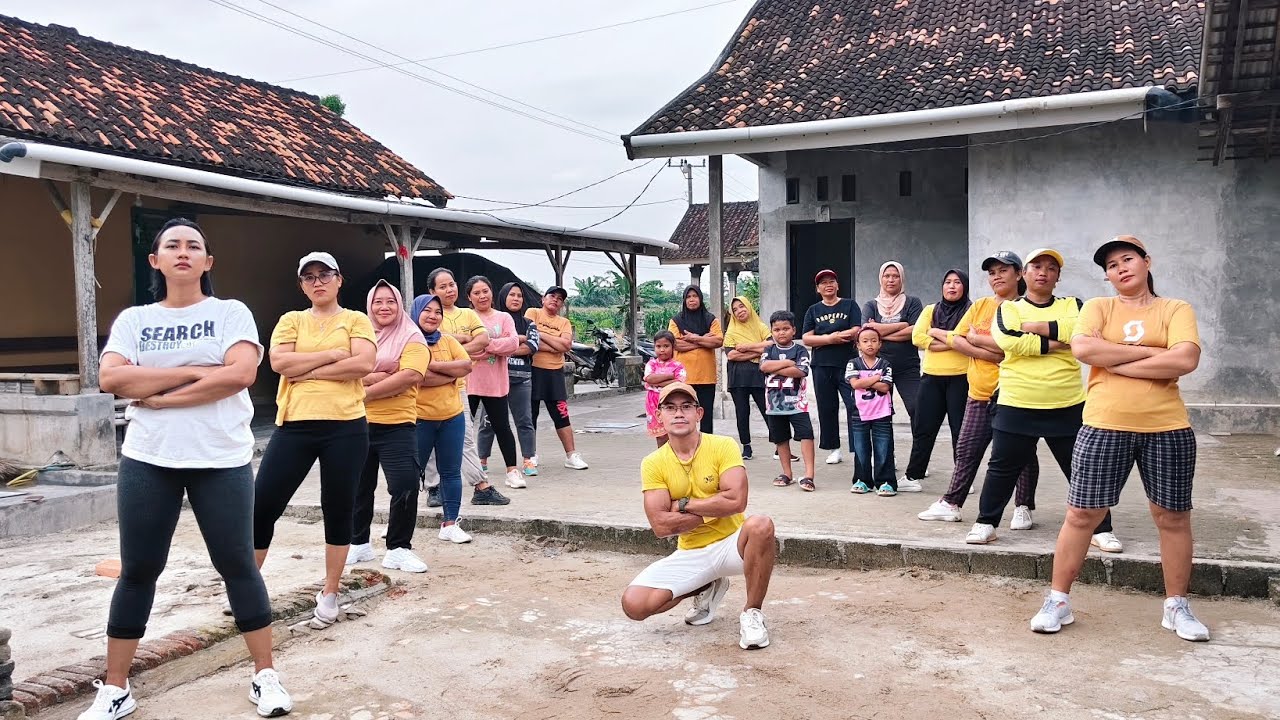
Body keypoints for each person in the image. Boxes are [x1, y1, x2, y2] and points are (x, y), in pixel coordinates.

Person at [84, 219, 291, 720]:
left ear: (207, 262)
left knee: (238, 565)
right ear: (154, 260)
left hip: (220, 458)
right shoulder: (135, 319)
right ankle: (116, 689)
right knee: (138, 570)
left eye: (193, 246)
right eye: (171, 246)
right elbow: (112, 376)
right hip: (148, 459)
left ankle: (266, 676)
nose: (183, 252)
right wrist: (197, 370)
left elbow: (240, 374)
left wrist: (157, 396)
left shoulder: (229, 312)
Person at [1031, 237, 1207, 640]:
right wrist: (1151, 355)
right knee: (1081, 515)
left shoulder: (1175, 309)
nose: (1120, 269)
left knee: (1173, 517)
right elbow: (1082, 348)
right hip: (1104, 424)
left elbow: (1186, 359)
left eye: (1127, 259)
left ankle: (1176, 606)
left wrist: (1118, 361)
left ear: (1147, 262)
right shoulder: (1098, 307)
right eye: (1111, 265)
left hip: (1168, 427)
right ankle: (1058, 600)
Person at [254, 251, 376, 627]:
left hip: (345, 425)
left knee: (338, 508)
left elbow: (363, 364)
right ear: (301, 285)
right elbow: (279, 364)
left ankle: (331, 592)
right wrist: (332, 355)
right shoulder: (291, 320)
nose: (318, 281)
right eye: (309, 277)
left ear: (340, 279)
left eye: (325, 274)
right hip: (295, 423)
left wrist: (309, 369)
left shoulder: (356, 319)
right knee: (262, 506)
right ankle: (249, 586)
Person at [966, 249, 1118, 549]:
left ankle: (1101, 527)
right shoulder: (1008, 308)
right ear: (1024, 273)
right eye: (1036, 266)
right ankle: (986, 523)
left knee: (1083, 469)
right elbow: (1008, 339)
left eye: (1051, 268)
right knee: (1001, 467)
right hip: (1016, 402)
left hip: (1067, 403)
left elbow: (1081, 335)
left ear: (1058, 277)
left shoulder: (1073, 305)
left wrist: (1033, 329)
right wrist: (1058, 342)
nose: (1043, 272)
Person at [620, 382, 777, 650]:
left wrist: (682, 504)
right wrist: (714, 509)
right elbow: (660, 524)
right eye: (670, 407)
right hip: (691, 551)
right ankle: (708, 585)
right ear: (660, 416)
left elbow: (737, 501)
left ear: (699, 413)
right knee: (634, 604)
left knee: (761, 525)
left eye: (686, 407)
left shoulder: (723, 445)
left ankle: (752, 613)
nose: (678, 413)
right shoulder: (653, 462)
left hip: (733, 544)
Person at [918, 251, 1039, 525]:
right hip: (979, 392)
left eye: (1003, 271)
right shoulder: (982, 305)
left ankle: (1023, 506)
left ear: (1019, 274)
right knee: (967, 449)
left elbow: (1015, 347)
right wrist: (991, 350)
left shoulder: (1026, 307)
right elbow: (959, 340)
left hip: (1015, 394)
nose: (996, 276)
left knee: (1021, 453)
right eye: (992, 272)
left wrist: (977, 339)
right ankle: (951, 502)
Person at [347, 280, 429, 573]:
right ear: (370, 306)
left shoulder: (412, 336)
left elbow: (410, 376)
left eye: (390, 301)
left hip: (398, 423)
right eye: (378, 302)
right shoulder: (359, 336)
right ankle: (358, 543)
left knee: (405, 485)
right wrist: (384, 372)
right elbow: (347, 371)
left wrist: (364, 386)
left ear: (399, 305)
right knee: (358, 487)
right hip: (358, 422)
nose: (384, 307)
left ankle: (398, 548)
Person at [419, 268, 509, 507]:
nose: (449, 290)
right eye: (442, 286)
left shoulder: (468, 315)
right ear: (432, 292)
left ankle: (481, 486)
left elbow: (484, 340)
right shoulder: (427, 314)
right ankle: (433, 488)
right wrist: (462, 345)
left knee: (465, 438)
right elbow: (425, 344)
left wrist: (450, 348)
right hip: (426, 392)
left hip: (458, 387)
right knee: (429, 443)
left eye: (452, 284)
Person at [410, 293, 474, 545]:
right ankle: (401, 522)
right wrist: (449, 372)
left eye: (438, 312)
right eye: (427, 311)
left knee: (451, 472)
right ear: (415, 313)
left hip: (451, 417)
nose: (433, 316)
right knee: (409, 475)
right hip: (418, 418)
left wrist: (432, 365)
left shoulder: (447, 341)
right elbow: (416, 376)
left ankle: (450, 523)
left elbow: (466, 365)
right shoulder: (409, 342)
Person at [901, 270, 972, 492]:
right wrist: (953, 341)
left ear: (965, 287)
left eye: (957, 282)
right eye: (947, 282)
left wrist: (936, 333)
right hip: (931, 378)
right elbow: (917, 337)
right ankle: (913, 476)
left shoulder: (971, 311)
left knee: (960, 431)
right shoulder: (931, 310)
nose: (952, 286)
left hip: (962, 378)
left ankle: (963, 480)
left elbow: (969, 338)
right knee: (924, 428)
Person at [464, 275, 525, 490]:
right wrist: (488, 346)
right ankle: (456, 471)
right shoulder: (466, 317)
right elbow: (458, 344)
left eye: (485, 291)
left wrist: (483, 345)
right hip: (467, 382)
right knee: (460, 429)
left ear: (492, 292)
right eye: (476, 293)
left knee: (502, 427)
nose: (482, 296)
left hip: (495, 383)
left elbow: (512, 343)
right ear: (469, 297)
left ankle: (512, 471)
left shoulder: (503, 317)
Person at [478, 282, 539, 477]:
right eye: (512, 295)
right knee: (488, 422)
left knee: (525, 421)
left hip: (521, 379)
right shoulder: (493, 320)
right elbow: (482, 343)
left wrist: (502, 347)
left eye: (519, 296)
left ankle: (528, 459)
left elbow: (531, 347)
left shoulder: (529, 324)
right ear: (503, 296)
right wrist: (509, 344)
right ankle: (482, 461)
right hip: (494, 378)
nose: (516, 299)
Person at [801, 269, 861, 465]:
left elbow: (856, 330)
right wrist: (831, 338)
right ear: (818, 289)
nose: (828, 285)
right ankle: (834, 448)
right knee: (827, 408)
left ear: (837, 285)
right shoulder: (813, 310)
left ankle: (858, 447)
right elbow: (807, 338)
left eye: (832, 281)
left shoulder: (850, 305)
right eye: (823, 282)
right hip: (821, 365)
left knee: (854, 405)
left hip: (848, 364)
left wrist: (825, 339)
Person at [526, 285, 589, 469]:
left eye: (560, 299)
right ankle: (530, 454)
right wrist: (555, 345)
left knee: (561, 415)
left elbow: (566, 346)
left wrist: (542, 335)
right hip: (533, 370)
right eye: (552, 296)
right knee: (530, 415)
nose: (555, 300)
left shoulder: (564, 322)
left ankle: (571, 455)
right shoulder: (533, 313)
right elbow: (529, 340)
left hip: (554, 373)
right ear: (543, 299)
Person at [760, 311, 817, 490]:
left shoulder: (800, 350)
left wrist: (776, 368)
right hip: (774, 405)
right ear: (771, 331)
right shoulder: (769, 349)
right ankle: (787, 473)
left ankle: (809, 475)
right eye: (776, 329)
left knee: (806, 435)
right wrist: (788, 363)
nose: (781, 332)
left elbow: (801, 371)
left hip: (797, 404)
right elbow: (764, 366)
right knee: (781, 439)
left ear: (794, 330)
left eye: (786, 328)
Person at [861, 261, 924, 420]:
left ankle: (919, 446)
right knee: (881, 414)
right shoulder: (871, 305)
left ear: (901, 279)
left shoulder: (913, 302)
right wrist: (902, 325)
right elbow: (866, 333)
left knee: (917, 409)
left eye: (895, 276)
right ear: (880, 279)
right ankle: (884, 446)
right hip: (877, 368)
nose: (891, 280)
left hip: (908, 367)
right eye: (887, 276)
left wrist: (879, 331)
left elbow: (916, 331)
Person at [845, 327, 897, 496]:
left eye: (874, 340)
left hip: (882, 413)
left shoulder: (885, 364)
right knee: (861, 448)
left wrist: (865, 380)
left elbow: (885, 386)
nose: (870, 344)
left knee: (884, 447)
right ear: (858, 345)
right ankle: (862, 480)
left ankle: (886, 481)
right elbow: (854, 384)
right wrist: (875, 378)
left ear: (880, 344)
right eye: (865, 341)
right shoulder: (853, 363)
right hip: (859, 412)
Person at [668, 285, 724, 433]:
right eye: (688, 297)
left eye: (695, 296)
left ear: (700, 298)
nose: (692, 300)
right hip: (684, 377)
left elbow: (718, 341)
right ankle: (687, 443)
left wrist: (693, 338)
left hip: (706, 377)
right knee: (685, 414)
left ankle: (706, 447)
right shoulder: (676, 321)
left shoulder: (710, 319)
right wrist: (702, 340)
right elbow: (675, 344)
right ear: (684, 300)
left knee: (706, 416)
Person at [723, 296, 772, 460]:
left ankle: (779, 445)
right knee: (742, 412)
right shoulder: (731, 331)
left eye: (742, 306)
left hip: (759, 374)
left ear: (749, 306)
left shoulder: (761, 326)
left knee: (767, 410)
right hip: (738, 378)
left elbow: (772, 345)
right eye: (735, 309)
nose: (739, 311)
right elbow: (732, 355)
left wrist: (747, 347)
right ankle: (746, 447)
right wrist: (759, 350)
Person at [643, 330, 688, 447]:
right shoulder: (651, 364)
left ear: (673, 347)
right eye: (658, 346)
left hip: (671, 403)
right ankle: (662, 459)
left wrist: (657, 382)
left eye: (666, 346)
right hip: (653, 403)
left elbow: (679, 382)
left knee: (673, 432)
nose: (662, 350)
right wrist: (669, 376)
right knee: (660, 435)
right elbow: (649, 378)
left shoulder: (678, 366)